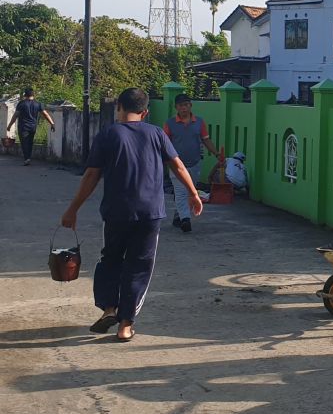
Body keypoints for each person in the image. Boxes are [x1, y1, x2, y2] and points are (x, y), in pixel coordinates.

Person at [60, 87, 203, 343]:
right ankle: (125, 325)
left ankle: (109, 308)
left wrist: (73, 209)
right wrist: (193, 192)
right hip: (150, 213)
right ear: (145, 112)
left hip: (116, 212)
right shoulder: (157, 133)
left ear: (119, 108)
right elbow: (178, 165)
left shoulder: (108, 134)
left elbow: (92, 175)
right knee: (139, 265)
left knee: (110, 258)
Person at [162, 93, 221, 233]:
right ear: (176, 107)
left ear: (191, 106)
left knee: (190, 190)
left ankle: (179, 216)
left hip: (194, 163)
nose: (184, 108)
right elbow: (164, 143)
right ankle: (185, 220)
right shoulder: (169, 124)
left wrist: (216, 153)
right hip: (175, 164)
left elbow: (206, 140)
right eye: (181, 105)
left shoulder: (199, 122)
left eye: (187, 105)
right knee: (181, 192)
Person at [6, 88, 55, 166]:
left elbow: (15, 115)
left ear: (25, 95)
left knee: (24, 142)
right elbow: (45, 114)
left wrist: (9, 126)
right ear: (33, 95)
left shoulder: (21, 104)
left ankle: (27, 158)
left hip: (23, 126)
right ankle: (28, 157)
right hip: (33, 126)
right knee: (30, 142)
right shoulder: (38, 104)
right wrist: (52, 123)